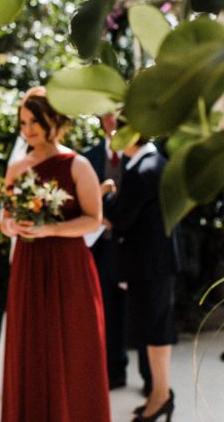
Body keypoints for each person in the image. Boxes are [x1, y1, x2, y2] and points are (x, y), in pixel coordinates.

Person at [0, 87, 111, 422]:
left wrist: (50, 229)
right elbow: (4, 222)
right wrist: (14, 227)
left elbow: (93, 219)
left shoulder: (78, 165)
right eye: (23, 122)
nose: (28, 128)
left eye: (35, 120)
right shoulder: (17, 169)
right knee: (32, 348)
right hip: (29, 267)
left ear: (55, 119)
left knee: (73, 347)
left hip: (69, 268)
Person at [102, 135, 185, 422]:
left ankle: (161, 396)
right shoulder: (154, 161)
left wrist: (106, 196)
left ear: (133, 134)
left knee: (155, 329)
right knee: (153, 328)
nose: (112, 137)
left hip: (150, 263)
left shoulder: (143, 169)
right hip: (155, 261)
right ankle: (158, 394)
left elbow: (123, 218)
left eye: (118, 132)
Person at [81, 114, 131, 389]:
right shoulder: (88, 157)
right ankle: (114, 369)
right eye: (107, 115)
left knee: (139, 308)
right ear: (101, 121)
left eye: (117, 113)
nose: (112, 120)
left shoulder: (140, 154)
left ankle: (152, 377)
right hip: (102, 243)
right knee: (108, 307)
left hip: (134, 244)